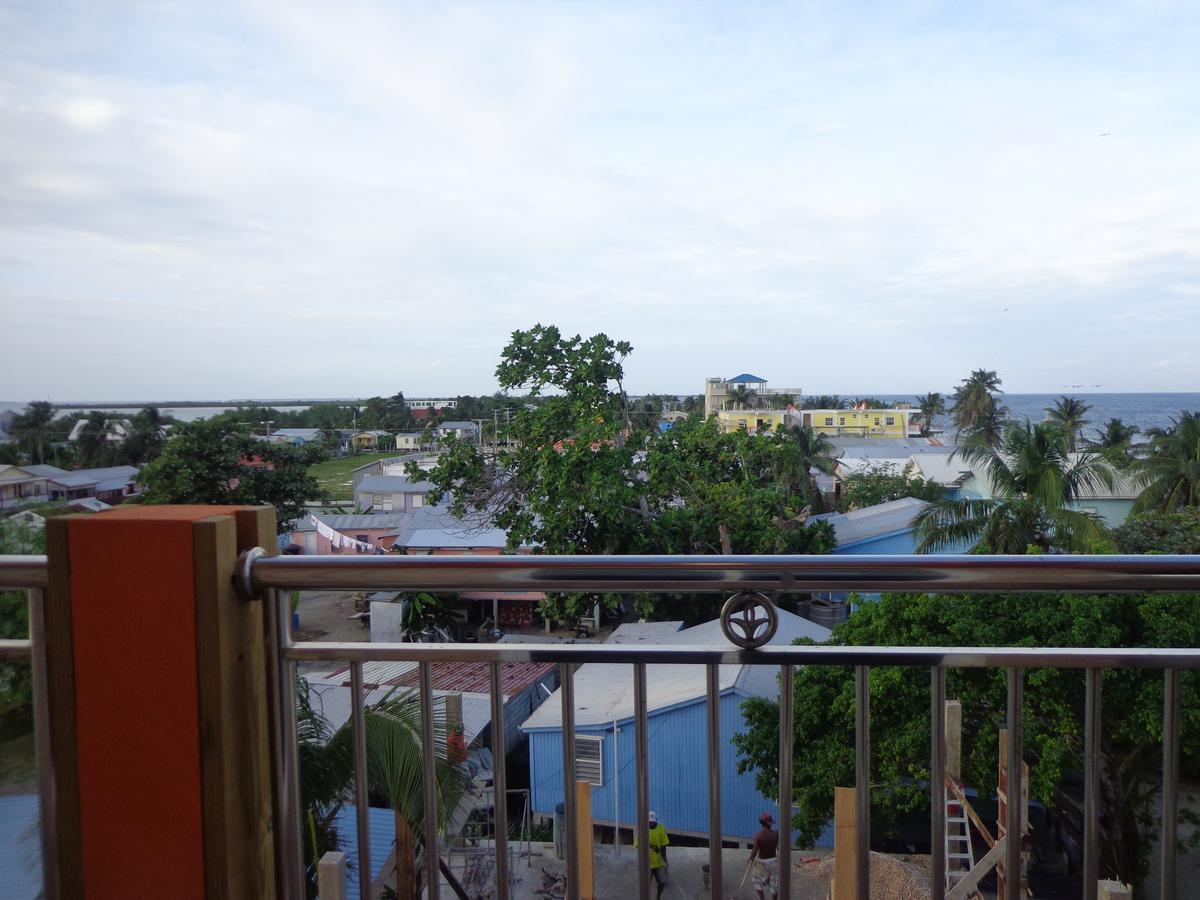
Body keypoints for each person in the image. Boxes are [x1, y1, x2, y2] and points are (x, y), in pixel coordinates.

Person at [634, 810, 670, 899]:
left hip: (659, 862)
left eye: (653, 822)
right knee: (646, 884)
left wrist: (665, 859)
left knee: (661, 882)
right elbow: (637, 844)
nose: (651, 824)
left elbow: (664, 845)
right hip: (647, 864)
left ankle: (658, 896)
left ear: (656, 820)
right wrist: (651, 846)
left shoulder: (661, 828)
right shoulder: (642, 828)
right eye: (649, 823)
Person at [748, 811, 779, 900]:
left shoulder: (758, 836)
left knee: (756, 879)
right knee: (774, 883)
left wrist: (751, 859)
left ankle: (762, 899)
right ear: (770, 824)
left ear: (761, 824)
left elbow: (755, 850)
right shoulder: (776, 834)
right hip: (773, 861)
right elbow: (777, 844)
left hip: (762, 863)